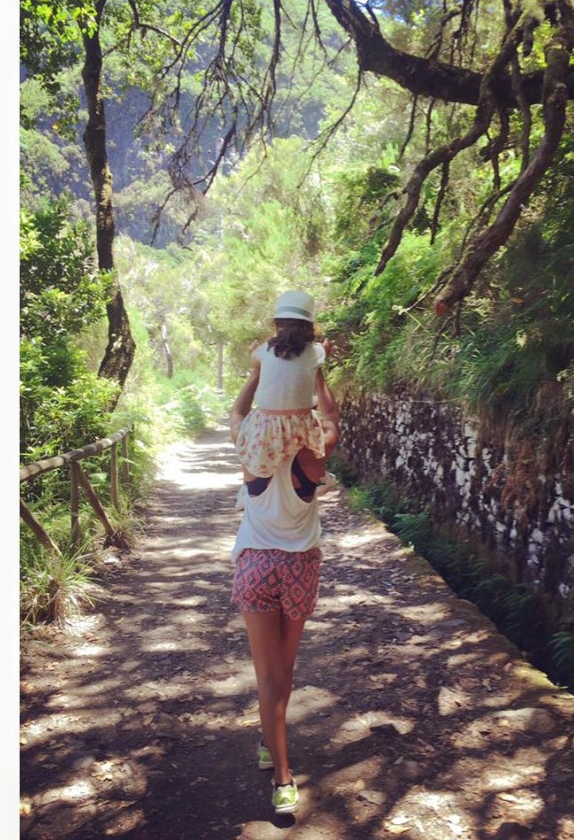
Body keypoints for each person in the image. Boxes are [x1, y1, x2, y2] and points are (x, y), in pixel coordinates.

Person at [228, 351, 340, 816]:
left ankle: (278, 767)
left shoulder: (248, 449)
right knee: (285, 671)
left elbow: (237, 412)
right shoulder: (313, 457)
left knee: (268, 676)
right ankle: (280, 769)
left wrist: (256, 375)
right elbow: (331, 416)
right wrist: (317, 372)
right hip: (300, 567)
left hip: (255, 564)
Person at [234, 290, 328, 481]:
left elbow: (259, 369)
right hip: (302, 426)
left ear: (277, 325)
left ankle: (252, 483)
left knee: (236, 418)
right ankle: (318, 478)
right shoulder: (317, 352)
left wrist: (254, 361)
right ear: (309, 327)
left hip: (265, 425)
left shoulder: (262, 351)